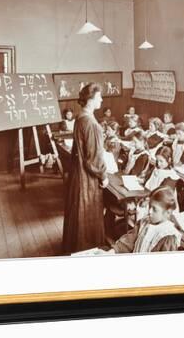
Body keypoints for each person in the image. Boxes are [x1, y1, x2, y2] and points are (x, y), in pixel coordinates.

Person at [63, 83, 109, 254]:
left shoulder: (80, 117)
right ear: (90, 100)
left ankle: (75, 250)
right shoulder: (91, 124)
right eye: (99, 97)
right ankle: (88, 253)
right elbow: (94, 159)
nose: (102, 100)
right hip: (87, 178)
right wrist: (104, 176)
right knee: (87, 214)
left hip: (77, 175)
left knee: (77, 215)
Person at [103, 189, 182, 254]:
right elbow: (129, 241)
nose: (150, 211)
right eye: (150, 206)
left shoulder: (167, 236)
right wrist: (113, 251)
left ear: (167, 213)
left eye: (154, 209)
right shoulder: (144, 221)